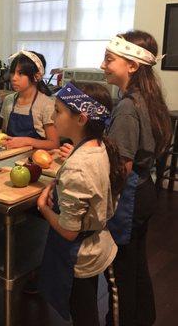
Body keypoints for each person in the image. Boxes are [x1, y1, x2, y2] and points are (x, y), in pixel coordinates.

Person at [37, 82, 125, 326]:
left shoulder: (78, 167)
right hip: (98, 242)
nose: (53, 118)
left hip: (81, 254)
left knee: (84, 313)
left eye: (58, 111)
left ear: (81, 119)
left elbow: (69, 230)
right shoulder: (99, 145)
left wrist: (44, 207)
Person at [100, 31, 172, 325]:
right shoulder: (144, 97)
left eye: (108, 59)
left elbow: (121, 166)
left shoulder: (128, 107)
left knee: (118, 275)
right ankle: (144, 318)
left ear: (132, 65)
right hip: (144, 190)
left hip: (128, 198)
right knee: (136, 264)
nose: (102, 65)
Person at [0, 50, 59, 150]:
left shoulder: (46, 105)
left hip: (34, 160)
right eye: (12, 72)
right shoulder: (8, 100)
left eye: (20, 73)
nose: (14, 78)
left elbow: (54, 144)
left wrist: (27, 141)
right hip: (9, 156)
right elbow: (4, 133)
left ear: (36, 76)